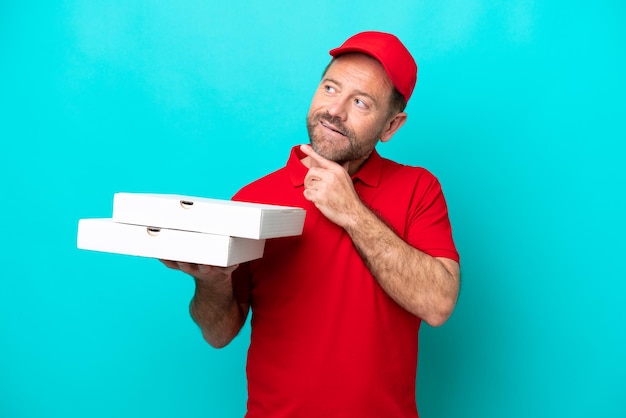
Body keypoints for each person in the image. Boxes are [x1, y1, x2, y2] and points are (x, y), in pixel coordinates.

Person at [162, 31, 460, 418]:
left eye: (360, 102)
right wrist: (211, 281)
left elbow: (438, 305)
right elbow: (219, 334)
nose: (335, 110)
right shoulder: (253, 198)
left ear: (391, 127)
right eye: (330, 88)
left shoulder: (420, 189)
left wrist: (352, 212)